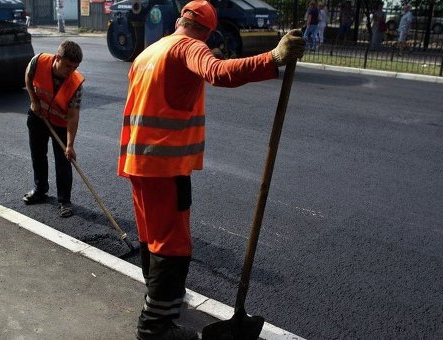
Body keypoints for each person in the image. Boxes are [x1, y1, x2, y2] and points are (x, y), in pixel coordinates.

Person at [117, 1, 304, 339]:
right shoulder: (190, 47)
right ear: (206, 31)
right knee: (173, 248)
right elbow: (218, 72)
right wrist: (273, 57)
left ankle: (164, 306)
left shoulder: (149, 53)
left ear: (178, 21)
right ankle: (153, 328)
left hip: (137, 163)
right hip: (164, 167)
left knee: (152, 241)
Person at [23, 40, 84, 218]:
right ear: (57, 58)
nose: (71, 71)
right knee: (38, 154)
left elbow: (73, 116)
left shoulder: (76, 84)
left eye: (75, 67)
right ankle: (40, 190)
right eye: (68, 66)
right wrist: (34, 100)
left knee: (64, 160)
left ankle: (64, 201)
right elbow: (28, 76)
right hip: (38, 116)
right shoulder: (38, 61)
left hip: (60, 122)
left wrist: (70, 144)